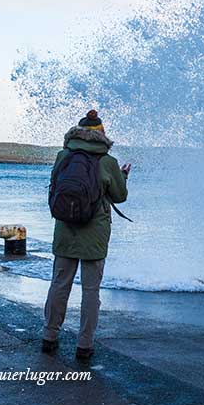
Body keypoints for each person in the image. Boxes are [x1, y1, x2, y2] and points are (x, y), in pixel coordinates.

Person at [41, 110, 129, 360]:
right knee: (90, 290)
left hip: (65, 229)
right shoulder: (107, 161)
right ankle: (85, 344)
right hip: (95, 232)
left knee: (59, 284)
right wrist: (122, 176)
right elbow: (119, 196)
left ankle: (49, 337)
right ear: (101, 134)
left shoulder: (63, 156)